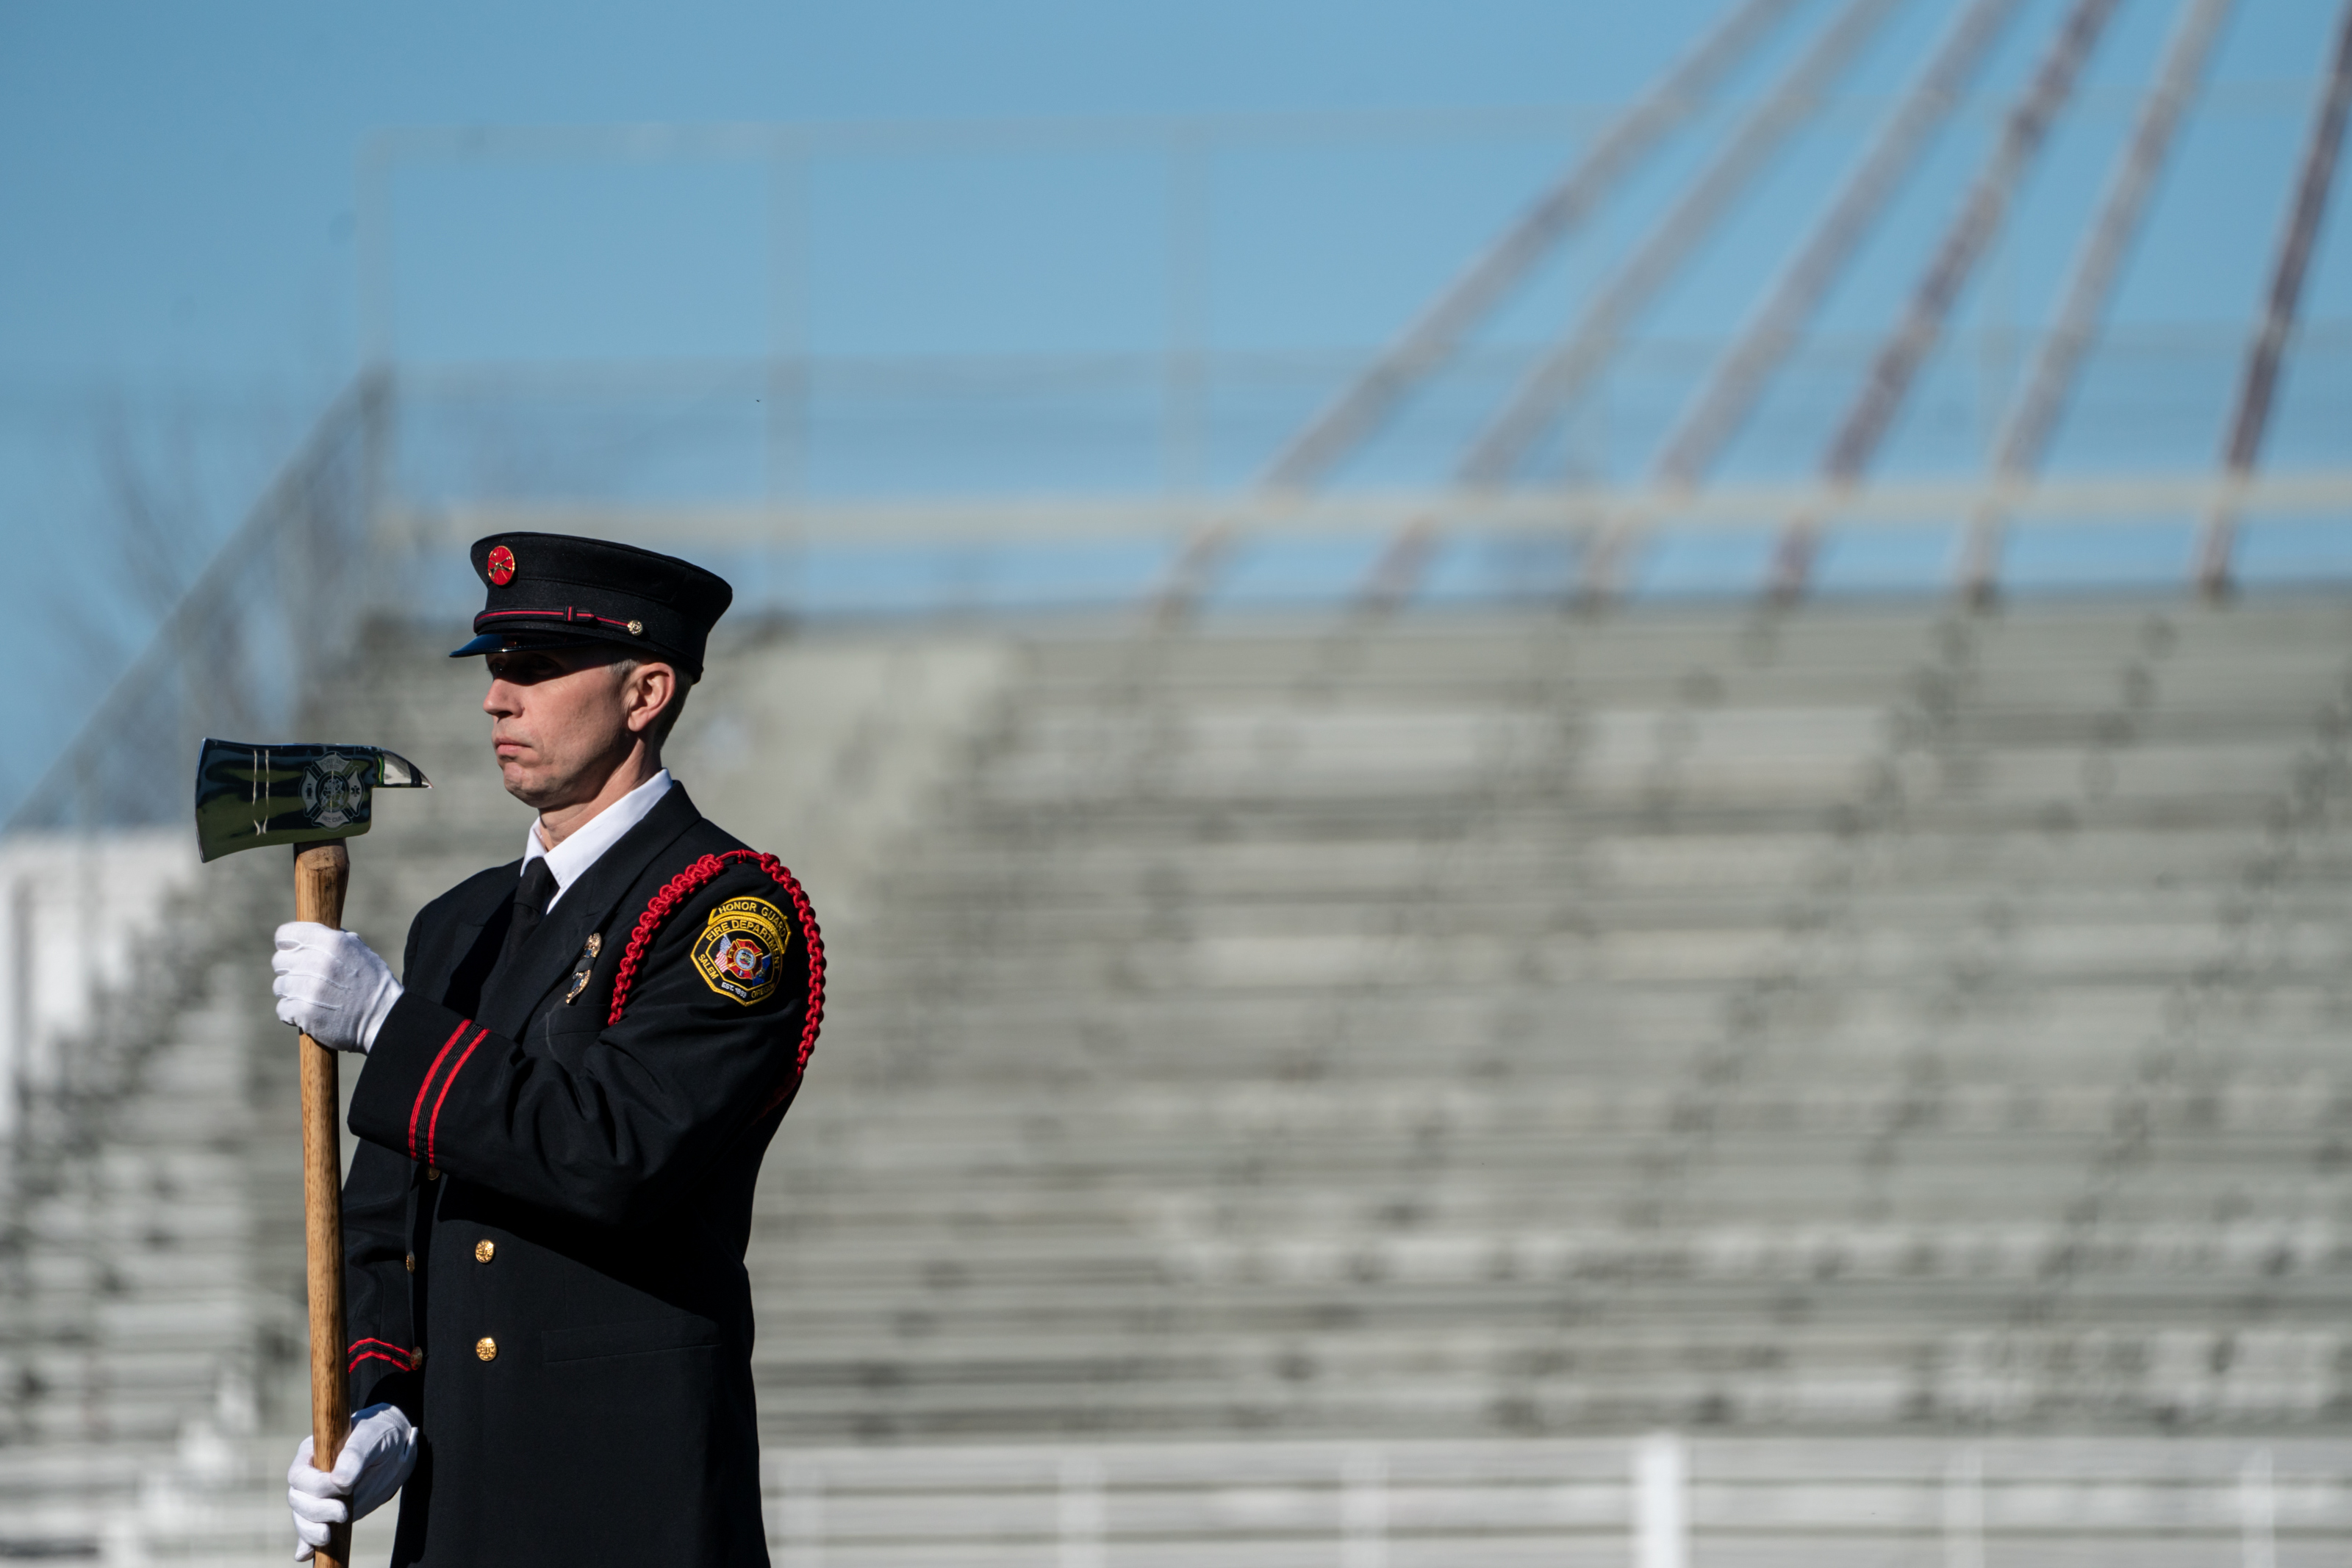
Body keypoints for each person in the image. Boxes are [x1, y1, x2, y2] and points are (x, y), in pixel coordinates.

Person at [269, 533, 824, 1566]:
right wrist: (380, 1404)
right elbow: (383, 1222)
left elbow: (612, 1148)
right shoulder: (459, 923)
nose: (497, 697)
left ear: (647, 690)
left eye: (535, 667)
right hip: (459, 1506)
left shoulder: (726, 908)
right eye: (494, 666)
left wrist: (391, 1027)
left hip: (627, 1501)